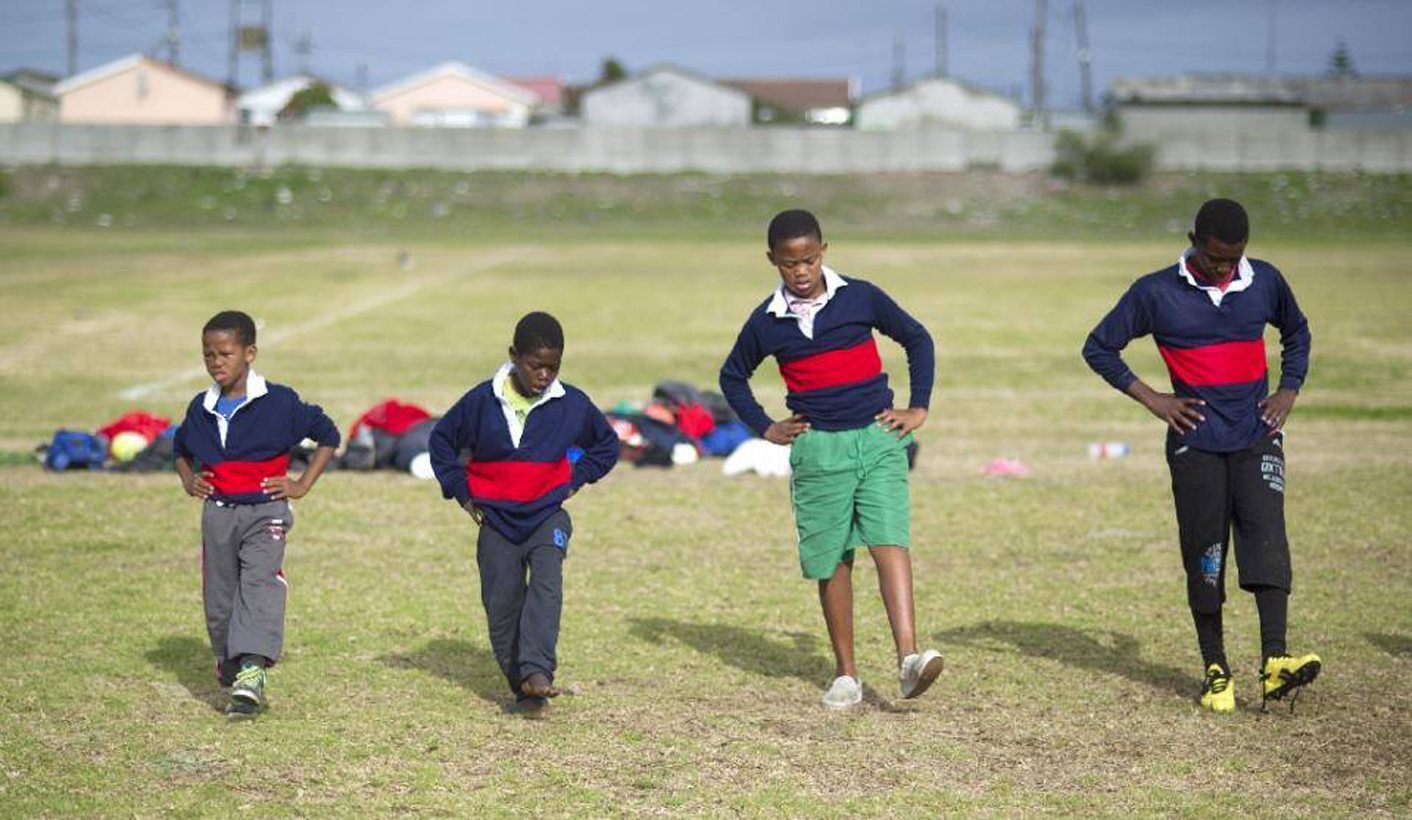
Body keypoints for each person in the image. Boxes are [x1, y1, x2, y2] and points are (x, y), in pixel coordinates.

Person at [1082, 198, 1321, 713]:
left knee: (1267, 539)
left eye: (1234, 258)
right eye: (1215, 258)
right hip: (1196, 443)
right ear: (1193, 240)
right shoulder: (1155, 291)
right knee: (1205, 554)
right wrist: (1155, 400)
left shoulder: (1265, 281)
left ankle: (1276, 662)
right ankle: (1216, 671)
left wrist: (1289, 390)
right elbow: (1099, 347)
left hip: (1257, 434)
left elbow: (1296, 331)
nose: (1224, 268)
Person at [719, 209, 943, 709]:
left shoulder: (860, 296)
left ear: (826, 251)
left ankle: (908, 658)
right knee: (832, 559)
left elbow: (917, 338)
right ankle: (846, 675)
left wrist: (918, 405)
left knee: (889, 541)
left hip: (878, 438)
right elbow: (732, 376)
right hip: (818, 449)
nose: (801, 271)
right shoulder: (766, 322)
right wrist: (765, 426)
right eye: (790, 263)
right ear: (773, 260)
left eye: (810, 259)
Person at [429, 312, 619, 714]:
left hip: (546, 515)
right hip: (496, 521)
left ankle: (538, 672)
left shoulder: (572, 404)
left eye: (554, 367)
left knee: (547, 584)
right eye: (536, 365)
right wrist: (462, 493)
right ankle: (524, 687)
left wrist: (574, 480)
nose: (545, 375)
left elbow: (607, 445)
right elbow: (441, 442)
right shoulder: (481, 402)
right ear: (514, 356)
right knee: (502, 605)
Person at [173, 310, 340, 719]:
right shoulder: (202, 406)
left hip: (266, 513)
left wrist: (301, 484)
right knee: (220, 597)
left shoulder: (279, 403)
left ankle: (252, 670)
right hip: (218, 514)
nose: (216, 362)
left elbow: (328, 435)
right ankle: (229, 660)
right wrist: (188, 479)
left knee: (261, 582)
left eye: (224, 353)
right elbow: (180, 447)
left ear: (249, 353)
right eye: (208, 354)